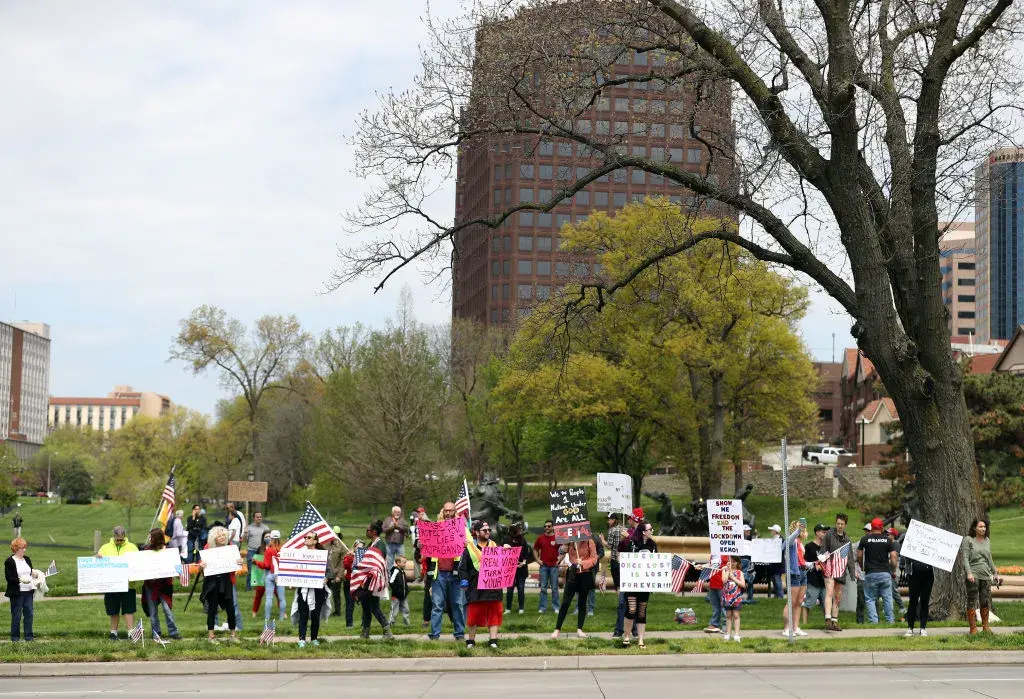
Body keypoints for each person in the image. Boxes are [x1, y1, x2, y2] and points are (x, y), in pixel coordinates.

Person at [459, 519, 502, 649]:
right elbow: (462, 567)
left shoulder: (495, 546)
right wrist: (464, 579)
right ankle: (471, 641)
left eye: (489, 530)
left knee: (494, 613)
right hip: (475, 587)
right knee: (474, 615)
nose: (488, 532)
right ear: (477, 532)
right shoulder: (469, 548)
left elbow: (504, 564)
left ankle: (493, 640)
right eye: (484, 530)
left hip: (493, 588)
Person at [427, 502, 466, 641]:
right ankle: (435, 634)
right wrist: (422, 545)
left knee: (457, 604)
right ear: (442, 512)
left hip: (456, 573)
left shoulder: (462, 528)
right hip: (439, 573)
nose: (448, 513)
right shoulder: (436, 529)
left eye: (451, 511)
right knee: (437, 605)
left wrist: (466, 544)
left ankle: (460, 633)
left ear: (455, 512)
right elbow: (427, 548)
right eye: (446, 511)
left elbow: (469, 547)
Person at [198, 526, 241, 642]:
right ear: (214, 538)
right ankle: (211, 636)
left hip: (227, 581)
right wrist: (201, 565)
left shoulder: (230, 548)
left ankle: (233, 635)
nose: (222, 537)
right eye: (219, 536)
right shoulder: (208, 548)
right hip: (212, 582)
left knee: (231, 608)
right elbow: (200, 564)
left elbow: (237, 564)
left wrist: (239, 562)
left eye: (223, 535)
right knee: (212, 608)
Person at [551, 535, 598, 640]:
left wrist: (584, 563)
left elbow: (594, 559)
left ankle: (579, 629)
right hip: (573, 574)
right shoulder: (570, 541)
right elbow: (561, 551)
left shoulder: (589, 541)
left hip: (585, 574)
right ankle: (557, 629)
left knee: (582, 602)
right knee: (565, 602)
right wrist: (566, 544)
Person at [619, 518, 657, 648]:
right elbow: (623, 560)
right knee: (631, 609)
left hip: (645, 584)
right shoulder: (633, 544)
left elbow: (656, 563)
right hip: (632, 583)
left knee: (642, 611)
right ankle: (626, 637)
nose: (652, 531)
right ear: (643, 532)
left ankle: (641, 640)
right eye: (650, 529)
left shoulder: (652, 545)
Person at [96, 525, 139, 640]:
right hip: (111, 585)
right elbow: (97, 563)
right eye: (117, 539)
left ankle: (131, 632)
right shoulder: (105, 548)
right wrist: (98, 558)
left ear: (125, 536)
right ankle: (113, 632)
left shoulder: (133, 547)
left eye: (121, 539)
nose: (119, 541)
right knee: (113, 609)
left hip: (128, 585)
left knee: (129, 609)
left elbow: (138, 564)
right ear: (113, 536)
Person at [355, 521, 394, 640]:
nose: (366, 532)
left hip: (374, 580)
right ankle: (365, 632)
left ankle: (387, 631)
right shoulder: (371, 545)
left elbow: (377, 562)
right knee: (366, 606)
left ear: (374, 532)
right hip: (367, 580)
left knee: (374, 606)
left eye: (368, 530)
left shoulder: (380, 545)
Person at [141, 528, 181, 640]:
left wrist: (179, 573)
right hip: (150, 586)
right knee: (153, 613)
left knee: (167, 610)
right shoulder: (146, 551)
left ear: (156, 538)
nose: (149, 538)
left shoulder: (169, 551)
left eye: (151, 537)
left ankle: (174, 632)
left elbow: (176, 565)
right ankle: (156, 633)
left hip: (165, 585)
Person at [292, 531, 330, 647]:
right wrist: (290, 580)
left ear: (315, 541)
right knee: (303, 614)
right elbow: (294, 568)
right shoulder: (299, 553)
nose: (306, 539)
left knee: (315, 614)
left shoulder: (321, 554)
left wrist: (326, 578)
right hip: (303, 588)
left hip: (318, 589)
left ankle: (314, 638)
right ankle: (302, 639)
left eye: (309, 537)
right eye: (305, 537)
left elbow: (328, 570)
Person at [858, 517, 898, 624]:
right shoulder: (888, 540)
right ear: (882, 528)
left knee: (870, 599)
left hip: (871, 573)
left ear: (871, 527)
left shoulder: (865, 539)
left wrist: (862, 567)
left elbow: (859, 555)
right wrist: (893, 569)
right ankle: (890, 621)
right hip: (885, 573)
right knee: (887, 598)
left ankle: (873, 622)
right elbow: (894, 556)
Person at [964, 518, 1000, 634]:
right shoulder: (968, 540)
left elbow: (989, 559)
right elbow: (965, 558)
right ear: (975, 528)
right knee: (972, 600)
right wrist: (969, 573)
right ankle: (973, 628)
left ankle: (985, 626)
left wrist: (995, 572)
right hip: (973, 575)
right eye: (980, 527)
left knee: (985, 601)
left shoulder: (987, 540)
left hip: (985, 575)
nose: (983, 529)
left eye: (984, 527)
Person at [600, 512, 631, 640]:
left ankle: (621, 605)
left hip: (615, 561)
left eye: (609, 519)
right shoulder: (626, 530)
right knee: (624, 584)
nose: (608, 521)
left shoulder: (612, 531)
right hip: (626, 561)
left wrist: (602, 540)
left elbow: (610, 546)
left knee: (618, 585)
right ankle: (623, 604)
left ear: (613, 520)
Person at [5, 537, 38, 642]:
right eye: (22, 548)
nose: (24, 550)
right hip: (17, 593)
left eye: (25, 547)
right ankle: (15, 639)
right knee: (17, 616)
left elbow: (31, 571)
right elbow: (9, 578)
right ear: (16, 548)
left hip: (28, 592)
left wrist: (35, 574)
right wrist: (20, 580)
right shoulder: (10, 561)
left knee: (29, 615)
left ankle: (29, 638)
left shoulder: (27, 559)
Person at [822, 513, 850, 631]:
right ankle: (827, 619)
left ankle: (834, 621)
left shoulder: (846, 539)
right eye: (838, 523)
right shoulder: (829, 535)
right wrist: (823, 559)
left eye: (842, 524)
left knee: (838, 596)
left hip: (841, 570)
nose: (839, 526)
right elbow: (823, 550)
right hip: (829, 568)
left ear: (845, 525)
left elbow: (850, 556)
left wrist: (853, 573)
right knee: (829, 592)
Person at [254, 530, 287, 624]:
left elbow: (266, 565)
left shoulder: (269, 550)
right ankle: (281, 618)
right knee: (282, 598)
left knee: (269, 598)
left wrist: (256, 562)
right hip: (280, 575)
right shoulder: (282, 549)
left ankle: (267, 618)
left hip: (270, 574)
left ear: (271, 538)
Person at [782, 520, 808, 636]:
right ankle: (786, 628)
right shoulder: (791, 541)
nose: (803, 530)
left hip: (803, 572)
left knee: (799, 602)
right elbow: (786, 543)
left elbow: (802, 560)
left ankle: (795, 627)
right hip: (794, 573)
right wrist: (798, 530)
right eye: (800, 528)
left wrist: (812, 563)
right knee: (791, 602)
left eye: (803, 528)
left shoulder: (800, 544)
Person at [802, 524, 828, 625]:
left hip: (825, 580)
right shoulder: (809, 546)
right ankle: (804, 624)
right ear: (817, 533)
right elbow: (803, 563)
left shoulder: (826, 547)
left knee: (826, 605)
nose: (825, 534)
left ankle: (828, 624)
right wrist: (814, 565)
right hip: (813, 580)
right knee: (808, 604)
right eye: (823, 532)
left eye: (826, 532)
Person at [504, 522, 532, 615]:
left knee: (521, 588)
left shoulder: (523, 541)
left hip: (521, 569)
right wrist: (504, 548)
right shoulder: (506, 539)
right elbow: (502, 553)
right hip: (510, 568)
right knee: (509, 589)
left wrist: (523, 562)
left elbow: (526, 554)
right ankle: (508, 608)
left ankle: (521, 608)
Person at [534, 520, 561, 614]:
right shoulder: (540, 538)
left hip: (554, 566)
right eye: (545, 526)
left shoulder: (557, 538)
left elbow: (564, 549)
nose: (546, 528)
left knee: (554, 588)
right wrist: (537, 560)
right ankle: (542, 607)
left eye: (549, 526)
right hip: (544, 566)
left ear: (553, 527)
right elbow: (535, 549)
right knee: (543, 588)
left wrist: (560, 559)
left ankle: (556, 607)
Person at [905, 557, 934, 636]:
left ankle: (923, 628)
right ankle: (910, 628)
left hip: (928, 574)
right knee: (913, 601)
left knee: (925, 601)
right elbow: (906, 557)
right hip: (914, 574)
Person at [721, 556, 747, 642]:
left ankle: (736, 634)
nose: (732, 563)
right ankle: (728, 634)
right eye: (730, 561)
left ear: (738, 563)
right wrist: (727, 571)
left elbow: (743, 584)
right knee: (728, 616)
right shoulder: (725, 570)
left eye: (734, 562)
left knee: (736, 615)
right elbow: (724, 581)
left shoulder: (740, 573)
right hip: (727, 597)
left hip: (736, 597)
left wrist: (733, 578)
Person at [242, 512, 269, 591]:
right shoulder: (249, 528)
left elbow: (268, 539)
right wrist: (245, 534)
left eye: (260, 517)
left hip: (262, 551)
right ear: (254, 518)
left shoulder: (265, 528)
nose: (259, 518)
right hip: (251, 551)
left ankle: (261, 587)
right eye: (257, 517)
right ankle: (248, 587)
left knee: (262, 569)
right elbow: (244, 540)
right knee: (250, 569)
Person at [326, 525, 350, 617]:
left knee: (336, 594)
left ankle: (337, 611)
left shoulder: (342, 547)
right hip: (326, 574)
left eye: (335, 534)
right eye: (332, 534)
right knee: (324, 594)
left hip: (336, 574)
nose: (334, 536)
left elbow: (343, 563)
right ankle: (324, 611)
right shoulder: (326, 545)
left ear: (339, 534)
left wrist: (339, 576)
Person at [388, 554, 412, 626]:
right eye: (404, 562)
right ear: (398, 562)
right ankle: (391, 623)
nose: (405, 564)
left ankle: (407, 624)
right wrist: (396, 590)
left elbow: (404, 583)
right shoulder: (395, 571)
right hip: (396, 596)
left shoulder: (402, 572)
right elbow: (391, 582)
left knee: (406, 610)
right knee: (394, 610)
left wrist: (407, 590)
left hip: (403, 596)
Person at [342, 541, 361, 628]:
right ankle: (349, 624)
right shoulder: (349, 555)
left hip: (360, 582)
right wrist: (351, 556)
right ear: (354, 547)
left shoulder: (363, 556)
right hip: (350, 582)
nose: (360, 548)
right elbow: (347, 566)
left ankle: (364, 624)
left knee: (364, 603)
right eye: (358, 546)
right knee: (350, 603)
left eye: (362, 547)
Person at [251, 538, 267, 617]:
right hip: (261, 578)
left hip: (271, 577)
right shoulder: (260, 549)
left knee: (278, 595)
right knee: (258, 595)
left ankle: (283, 613)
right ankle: (254, 612)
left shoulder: (274, 549)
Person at [767, 524, 784, 598]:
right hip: (773, 564)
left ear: (775, 531)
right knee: (774, 579)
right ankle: (776, 595)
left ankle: (780, 596)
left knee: (777, 579)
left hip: (778, 564)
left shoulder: (782, 540)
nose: (771, 531)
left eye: (772, 530)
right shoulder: (773, 539)